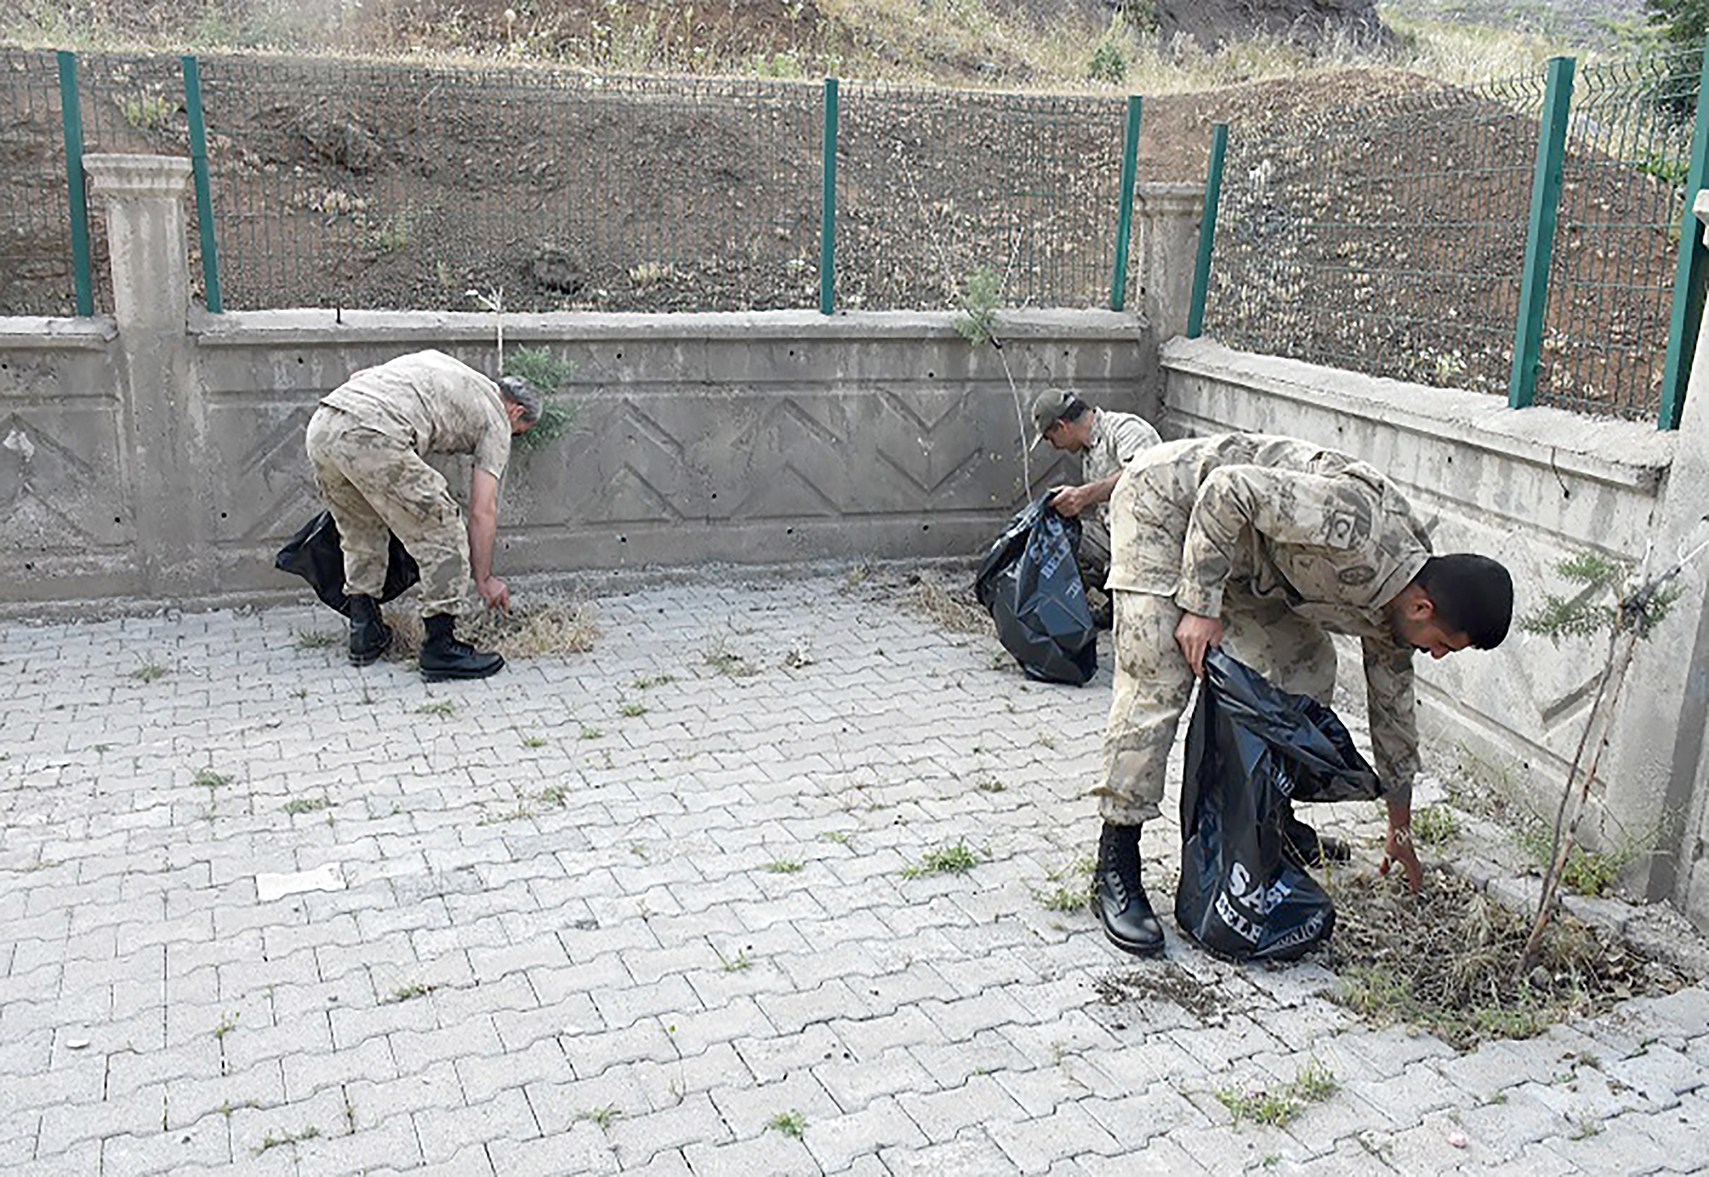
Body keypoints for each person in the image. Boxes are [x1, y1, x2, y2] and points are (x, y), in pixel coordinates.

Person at [1093, 433, 1513, 956]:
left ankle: (1272, 821)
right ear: (1423, 609)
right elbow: (1227, 490)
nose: (1438, 656)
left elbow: (1392, 709)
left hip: (1251, 560)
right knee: (1158, 676)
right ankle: (1116, 862)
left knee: (1306, 667)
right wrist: (1200, 605)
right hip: (1167, 506)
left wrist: (1399, 828)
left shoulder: (1400, 606)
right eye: (1445, 646)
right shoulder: (1356, 529)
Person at [304, 349, 542, 682]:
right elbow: (482, 510)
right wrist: (484, 578)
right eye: (519, 432)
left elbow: (360, 377)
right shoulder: (497, 418)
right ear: (516, 411)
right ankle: (440, 648)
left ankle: (365, 632)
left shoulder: (440, 364)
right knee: (443, 528)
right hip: (373, 431)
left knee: (361, 530)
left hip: (325, 424)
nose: (512, 437)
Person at [1031, 388, 1161, 624]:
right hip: (1115, 537)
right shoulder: (1089, 451)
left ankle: (1132, 605)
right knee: (1056, 535)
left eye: (1050, 438)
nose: (1053, 446)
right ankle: (1104, 607)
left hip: (1149, 541)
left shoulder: (1125, 429)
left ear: (1062, 426)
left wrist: (1083, 495)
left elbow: (1142, 477)